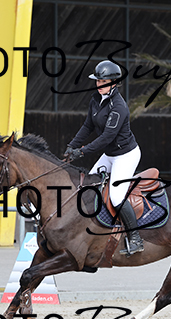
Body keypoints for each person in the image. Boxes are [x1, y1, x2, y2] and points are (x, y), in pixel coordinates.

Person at [64, 60, 143, 256]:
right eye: (98, 81)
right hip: (110, 154)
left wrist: (82, 151)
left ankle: (135, 238)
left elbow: (107, 137)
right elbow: (87, 126)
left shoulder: (119, 106)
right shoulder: (96, 100)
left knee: (116, 196)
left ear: (114, 83)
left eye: (104, 82)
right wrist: (72, 146)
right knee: (87, 187)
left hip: (125, 155)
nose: (99, 85)